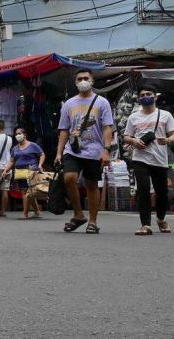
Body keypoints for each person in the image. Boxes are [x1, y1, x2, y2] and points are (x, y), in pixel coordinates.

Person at [55, 70, 114, 234]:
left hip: (94, 151)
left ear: (92, 81)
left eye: (85, 78)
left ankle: (93, 221)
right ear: (75, 83)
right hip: (72, 149)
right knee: (69, 177)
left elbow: (107, 127)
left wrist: (106, 150)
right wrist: (59, 152)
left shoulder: (102, 102)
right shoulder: (69, 104)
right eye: (79, 79)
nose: (83, 81)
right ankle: (78, 214)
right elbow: (64, 130)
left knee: (91, 184)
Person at [123, 86, 174, 235]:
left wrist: (167, 140)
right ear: (138, 99)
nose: (145, 96)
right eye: (142, 95)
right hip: (140, 158)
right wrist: (134, 141)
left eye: (148, 94)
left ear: (155, 97)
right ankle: (145, 224)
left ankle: (161, 219)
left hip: (160, 159)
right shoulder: (134, 117)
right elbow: (126, 136)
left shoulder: (165, 115)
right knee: (143, 189)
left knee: (161, 192)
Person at [2, 127, 44, 219]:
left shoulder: (33, 145)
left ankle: (25, 214)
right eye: (16, 134)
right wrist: (6, 170)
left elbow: (42, 154)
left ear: (25, 135)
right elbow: (12, 161)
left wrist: (40, 165)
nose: (17, 135)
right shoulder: (15, 148)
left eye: (19, 133)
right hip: (20, 172)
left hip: (31, 171)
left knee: (26, 192)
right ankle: (37, 211)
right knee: (29, 193)